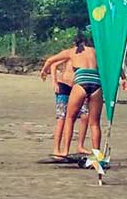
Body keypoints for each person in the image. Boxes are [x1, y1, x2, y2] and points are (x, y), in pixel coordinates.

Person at [40, 30, 103, 158]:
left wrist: (44, 71)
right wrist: (123, 78)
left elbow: (50, 60)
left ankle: (65, 151)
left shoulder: (70, 52)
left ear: (75, 43)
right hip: (96, 82)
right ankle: (97, 155)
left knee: (70, 118)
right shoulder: (95, 51)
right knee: (95, 122)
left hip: (81, 82)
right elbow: (112, 63)